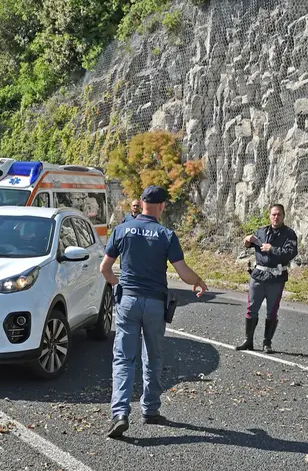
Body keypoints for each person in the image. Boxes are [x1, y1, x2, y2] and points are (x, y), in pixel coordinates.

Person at [99, 185, 208, 438]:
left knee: (124, 359)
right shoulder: (166, 234)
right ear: (162, 206)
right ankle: (150, 409)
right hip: (155, 304)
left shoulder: (122, 230)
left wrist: (119, 285)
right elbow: (183, 272)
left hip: (128, 301)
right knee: (153, 356)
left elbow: (105, 269)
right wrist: (199, 282)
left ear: (142, 204)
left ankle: (120, 414)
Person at [237, 203, 298, 354]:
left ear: (284, 216)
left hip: (276, 277)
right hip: (258, 276)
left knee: (272, 311)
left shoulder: (289, 234)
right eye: (273, 214)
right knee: (252, 308)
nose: (276, 217)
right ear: (270, 216)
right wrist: (246, 240)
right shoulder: (261, 231)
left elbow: (291, 253)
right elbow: (248, 244)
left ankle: (267, 343)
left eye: (279, 214)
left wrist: (272, 249)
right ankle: (248, 341)